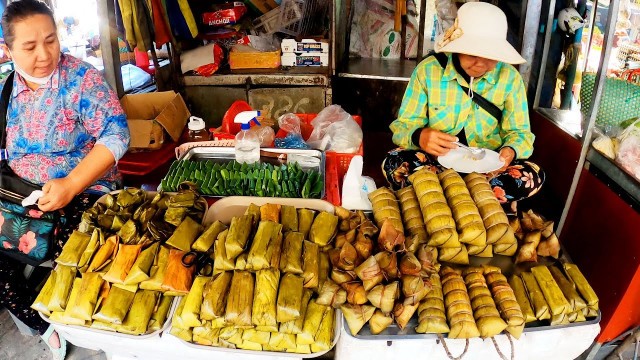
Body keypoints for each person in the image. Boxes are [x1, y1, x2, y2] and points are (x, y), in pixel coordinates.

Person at [0, 1, 130, 359]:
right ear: (7, 50)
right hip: (19, 193)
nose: (44, 54)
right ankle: (43, 324)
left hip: (85, 187)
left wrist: (71, 184)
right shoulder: (6, 88)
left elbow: (116, 134)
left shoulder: (81, 79)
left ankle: (94, 324)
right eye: (29, 47)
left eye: (51, 40)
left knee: (77, 255)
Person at [384, 2, 544, 208]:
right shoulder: (428, 71)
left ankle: (445, 199)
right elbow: (403, 125)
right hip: (435, 165)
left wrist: (510, 151)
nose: (481, 64)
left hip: (489, 173)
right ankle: (475, 201)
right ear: (457, 48)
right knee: (394, 162)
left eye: (491, 57)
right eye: (472, 54)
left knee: (533, 176)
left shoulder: (510, 79)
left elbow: (520, 133)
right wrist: (419, 136)